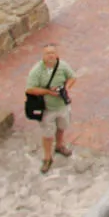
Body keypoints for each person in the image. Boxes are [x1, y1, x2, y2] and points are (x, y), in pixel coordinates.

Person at [26, 44, 76, 173]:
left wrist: (65, 88)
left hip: (62, 106)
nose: (50, 56)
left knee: (61, 127)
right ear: (43, 56)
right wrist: (48, 92)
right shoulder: (37, 71)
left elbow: (72, 77)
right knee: (47, 134)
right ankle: (47, 158)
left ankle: (59, 146)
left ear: (57, 54)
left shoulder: (62, 66)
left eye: (52, 53)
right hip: (47, 109)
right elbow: (30, 89)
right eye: (47, 53)